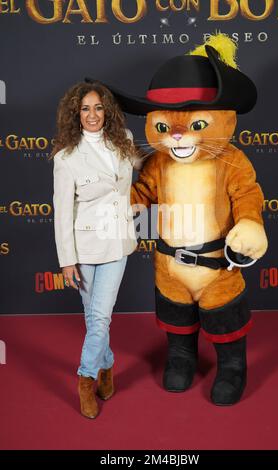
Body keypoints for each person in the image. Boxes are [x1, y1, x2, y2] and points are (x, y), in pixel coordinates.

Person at [50, 81, 138, 419]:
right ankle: (106, 366)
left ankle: (84, 379)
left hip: (117, 242)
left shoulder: (125, 141)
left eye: (98, 108)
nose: (92, 115)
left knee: (99, 317)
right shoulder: (67, 157)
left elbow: (137, 176)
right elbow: (62, 212)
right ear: (76, 113)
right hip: (84, 248)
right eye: (85, 108)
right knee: (94, 318)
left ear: (107, 111)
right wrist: (67, 260)